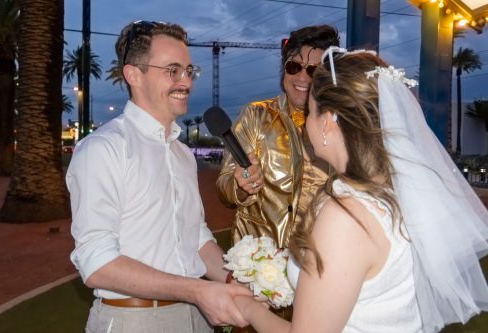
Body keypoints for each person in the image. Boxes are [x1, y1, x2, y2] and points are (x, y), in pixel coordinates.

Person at [233, 48, 488, 332]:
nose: (307, 124)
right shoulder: (398, 190)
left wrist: (247, 308)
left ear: (328, 121)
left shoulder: (346, 217)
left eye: (310, 113)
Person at [66, 21, 251, 333]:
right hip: (133, 320)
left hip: (198, 318)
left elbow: (196, 239)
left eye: (189, 70)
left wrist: (237, 281)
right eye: (173, 70)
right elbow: (97, 263)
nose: (186, 82)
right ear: (134, 75)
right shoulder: (104, 149)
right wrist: (196, 290)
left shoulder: (182, 155)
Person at [216, 25, 340, 249]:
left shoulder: (340, 127)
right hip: (258, 262)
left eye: (313, 71)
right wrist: (240, 185)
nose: (302, 77)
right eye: (294, 66)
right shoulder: (256, 115)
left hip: (315, 262)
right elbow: (225, 186)